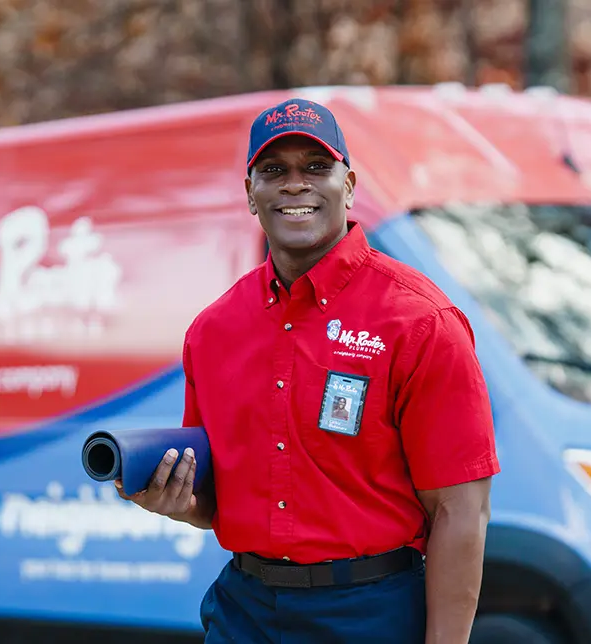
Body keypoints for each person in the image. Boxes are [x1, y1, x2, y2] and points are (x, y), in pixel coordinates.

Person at [116, 98, 500, 644]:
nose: (295, 185)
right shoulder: (213, 330)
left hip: (371, 614)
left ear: (349, 183)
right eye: (274, 170)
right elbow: (216, 499)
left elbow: (462, 511)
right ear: (251, 193)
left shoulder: (419, 321)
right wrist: (176, 501)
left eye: (316, 167)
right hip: (243, 612)